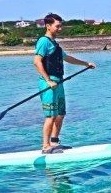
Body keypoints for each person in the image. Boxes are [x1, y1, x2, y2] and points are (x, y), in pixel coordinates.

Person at [33, 13, 96, 154]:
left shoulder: (55, 44)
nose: (60, 29)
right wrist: (48, 80)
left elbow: (67, 58)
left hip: (58, 82)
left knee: (60, 114)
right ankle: (45, 146)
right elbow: (36, 62)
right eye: (57, 26)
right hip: (48, 84)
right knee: (51, 116)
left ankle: (54, 142)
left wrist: (86, 64)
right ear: (48, 26)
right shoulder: (43, 41)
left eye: (61, 26)